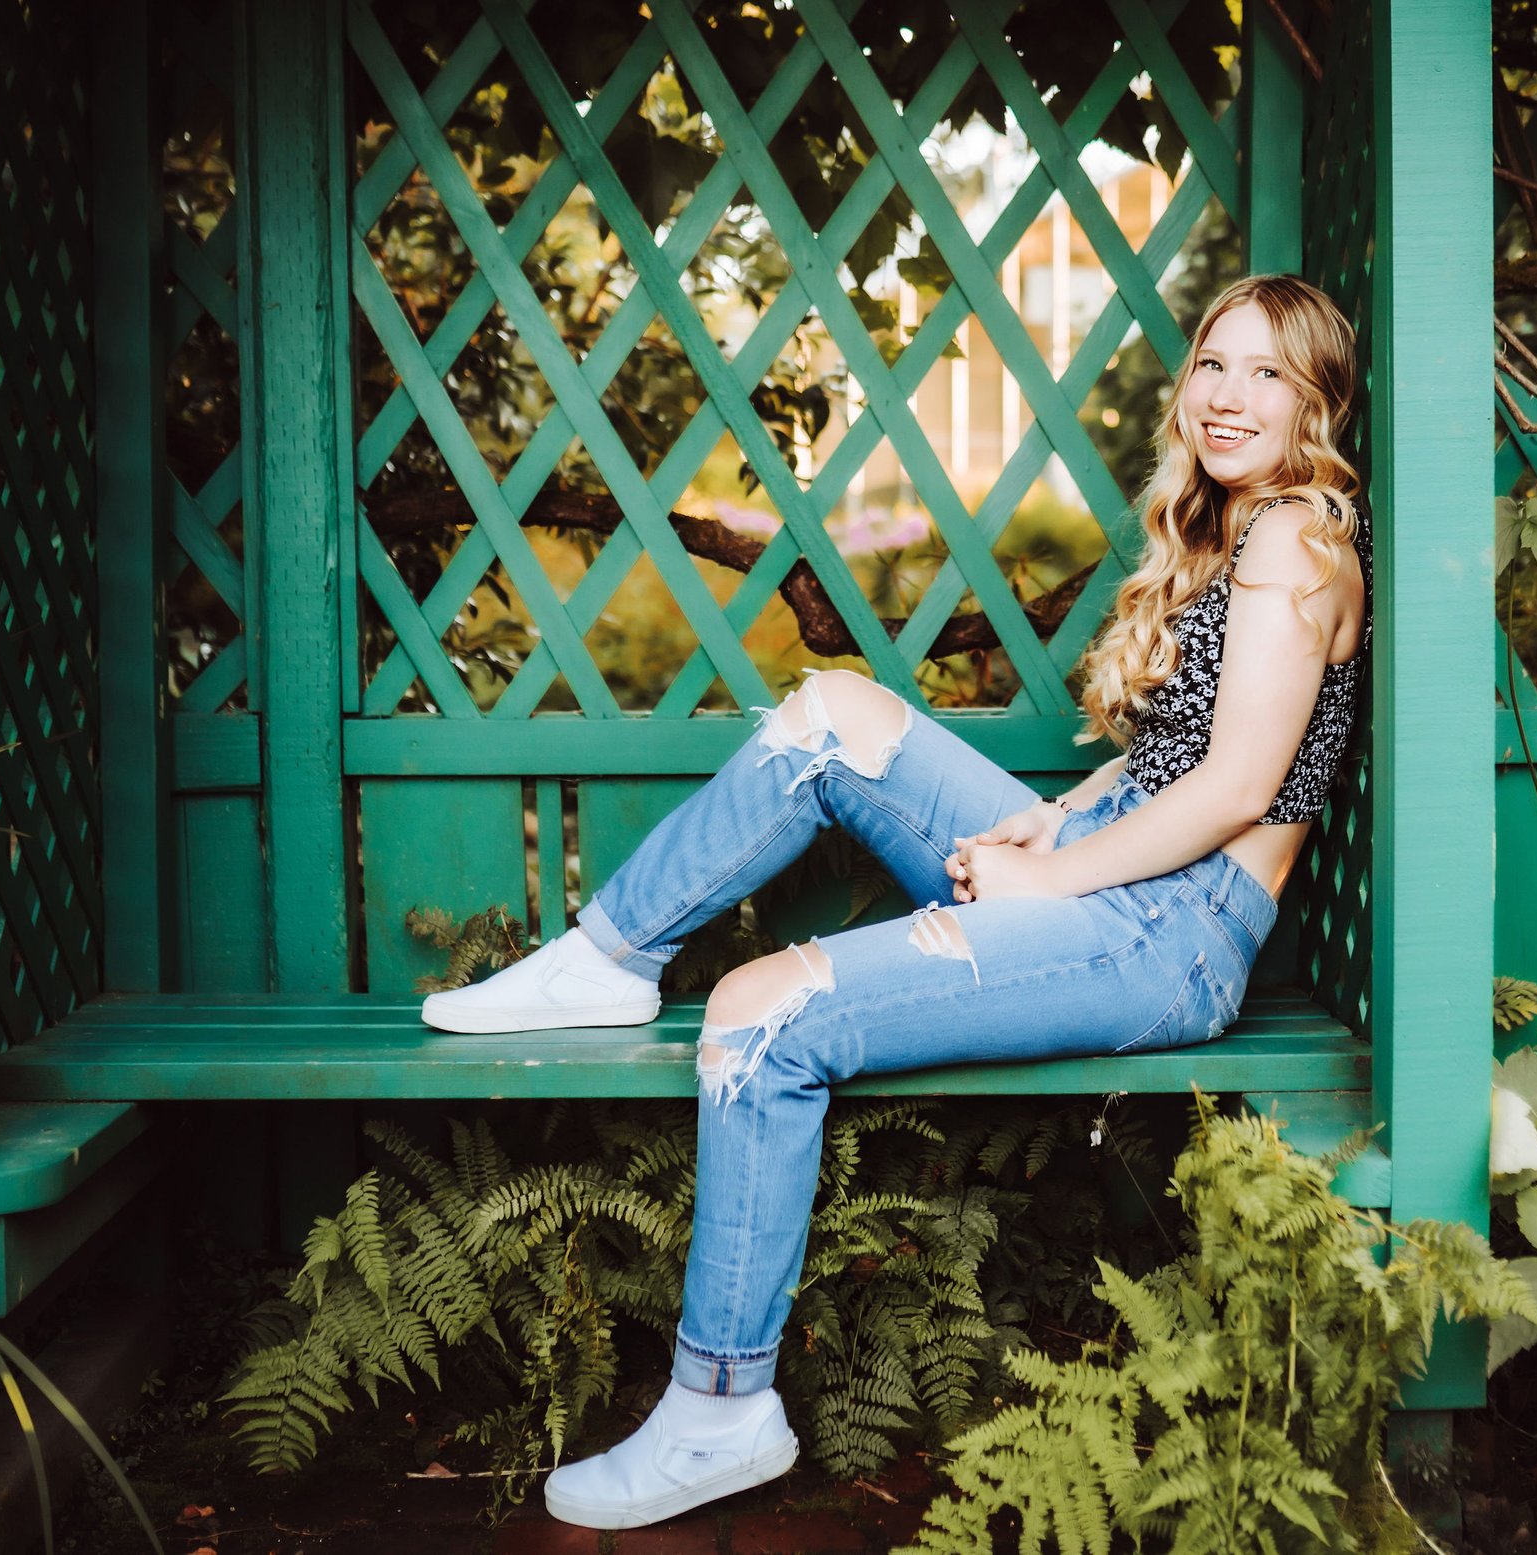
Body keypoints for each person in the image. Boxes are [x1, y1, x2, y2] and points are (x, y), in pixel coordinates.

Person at [420, 273, 1371, 1529]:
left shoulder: (1297, 535)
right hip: (1121, 878)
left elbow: (1244, 783)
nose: (1229, 396)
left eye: (1268, 374)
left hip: (1167, 936)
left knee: (762, 1013)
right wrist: (1060, 812)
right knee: (834, 716)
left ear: (1317, 401)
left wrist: (1049, 871)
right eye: (1213, 364)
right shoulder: (1240, 528)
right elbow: (1198, 745)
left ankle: (720, 1408)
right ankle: (610, 952)